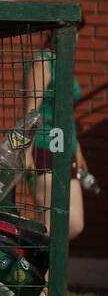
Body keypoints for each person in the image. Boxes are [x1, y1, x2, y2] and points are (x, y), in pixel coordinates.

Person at [25, 42, 93, 241]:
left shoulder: (63, 62)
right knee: (51, 223)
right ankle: (32, 264)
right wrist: (26, 150)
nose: (78, 34)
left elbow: (66, 112)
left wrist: (77, 149)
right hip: (46, 145)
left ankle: (34, 260)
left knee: (75, 223)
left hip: (66, 148)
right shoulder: (43, 62)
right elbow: (32, 109)